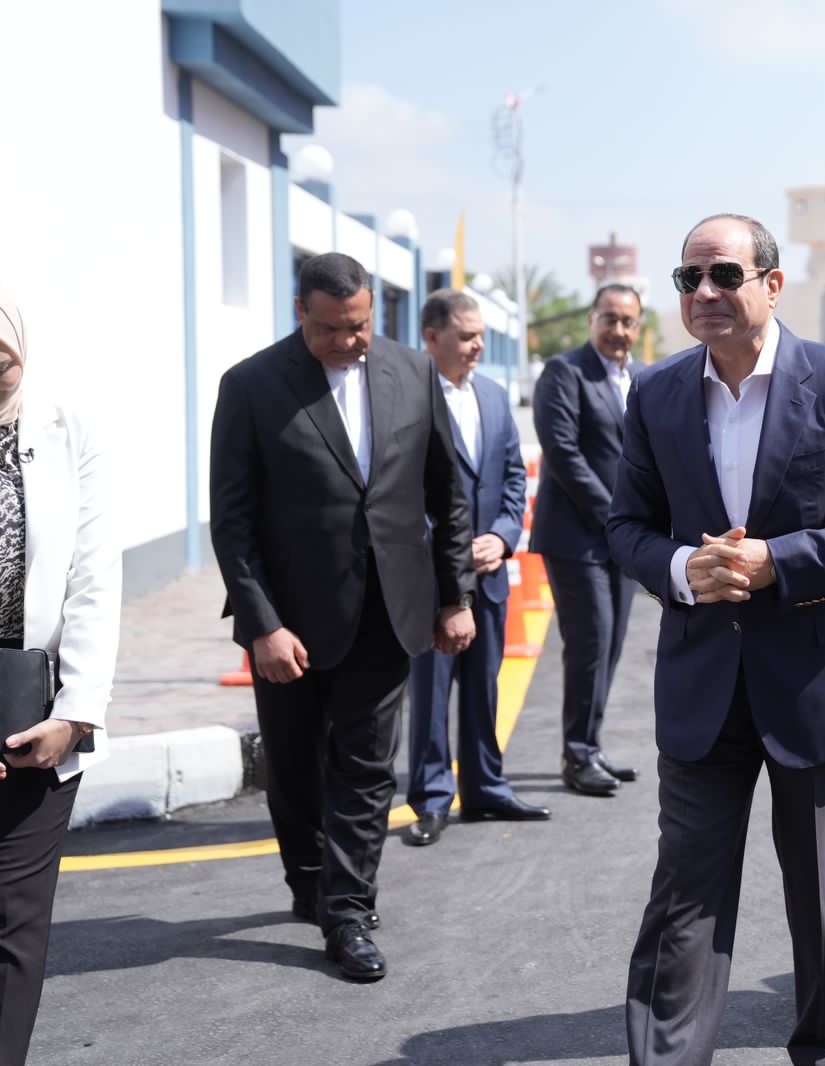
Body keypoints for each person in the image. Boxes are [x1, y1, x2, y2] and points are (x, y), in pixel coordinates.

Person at [608, 214, 825, 1065]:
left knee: (819, 897)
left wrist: (776, 562)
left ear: (773, 284)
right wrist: (682, 569)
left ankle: (821, 1052)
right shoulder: (657, 393)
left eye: (724, 275)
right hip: (702, 685)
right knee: (685, 894)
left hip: (819, 685)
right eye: (690, 279)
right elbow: (626, 526)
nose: (705, 293)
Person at [209, 253, 476, 982]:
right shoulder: (251, 385)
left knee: (366, 767)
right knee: (294, 768)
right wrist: (262, 625)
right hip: (289, 623)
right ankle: (310, 882)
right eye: (331, 329)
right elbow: (232, 522)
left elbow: (447, 494)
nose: (348, 341)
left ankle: (349, 910)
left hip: (389, 609)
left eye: (358, 326)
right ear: (301, 311)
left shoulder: (412, 372)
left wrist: (455, 596)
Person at [0, 291, 120, 1062]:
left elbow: (93, 579)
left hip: (30, 708)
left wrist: (74, 714)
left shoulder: (67, 428)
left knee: (14, 924)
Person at [402, 289, 547, 849]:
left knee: (485, 687)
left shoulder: (491, 394)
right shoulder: (407, 399)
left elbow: (511, 476)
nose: (478, 345)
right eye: (466, 336)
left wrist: (503, 536)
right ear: (432, 337)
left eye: (481, 334)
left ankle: (485, 787)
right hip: (432, 580)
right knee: (432, 693)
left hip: (489, 575)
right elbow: (402, 492)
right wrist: (452, 552)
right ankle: (432, 799)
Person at [532, 284, 644, 796]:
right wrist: (614, 516)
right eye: (609, 318)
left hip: (622, 538)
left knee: (612, 643)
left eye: (628, 321)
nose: (618, 330)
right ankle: (576, 755)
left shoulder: (638, 379)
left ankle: (590, 746)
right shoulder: (565, 372)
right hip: (576, 536)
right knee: (591, 641)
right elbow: (562, 453)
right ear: (592, 320)